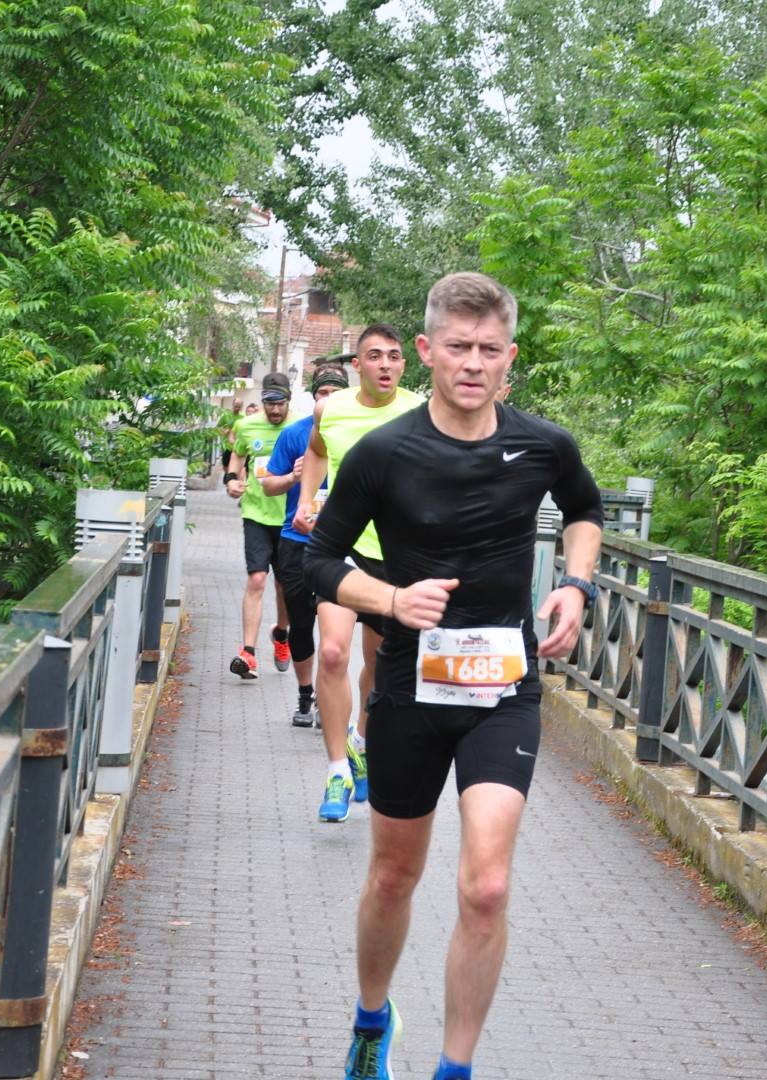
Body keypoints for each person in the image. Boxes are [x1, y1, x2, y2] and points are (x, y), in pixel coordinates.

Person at [303, 272, 603, 1080]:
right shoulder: (384, 453)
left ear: (511, 357)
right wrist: (391, 599)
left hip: (503, 692)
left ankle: (454, 1069)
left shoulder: (543, 445)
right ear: (428, 350)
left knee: (487, 887)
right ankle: (373, 1017)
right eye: (459, 347)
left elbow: (585, 511)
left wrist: (575, 585)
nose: (474, 363)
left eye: (490, 350)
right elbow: (320, 560)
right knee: (393, 875)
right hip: (408, 691)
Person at [295, 325, 424, 822]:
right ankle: (336, 772)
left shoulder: (421, 411)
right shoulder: (331, 408)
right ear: (358, 365)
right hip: (340, 547)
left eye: (394, 356)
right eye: (375, 356)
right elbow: (317, 451)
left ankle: (361, 743)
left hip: (394, 557)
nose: (386, 364)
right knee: (332, 652)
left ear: (404, 364)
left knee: (380, 663)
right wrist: (307, 500)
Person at [259, 359, 352, 726]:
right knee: (300, 624)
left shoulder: (360, 434)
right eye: (322, 393)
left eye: (335, 393)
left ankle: (329, 702)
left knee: (334, 631)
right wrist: (292, 478)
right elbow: (268, 485)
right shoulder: (294, 434)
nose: (327, 399)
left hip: (342, 546)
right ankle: (304, 695)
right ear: (313, 397)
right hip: (296, 540)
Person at [224, 373, 295, 679]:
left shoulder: (302, 426)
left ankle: (281, 634)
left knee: (285, 585)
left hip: (290, 517)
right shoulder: (247, 425)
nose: (275, 410)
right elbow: (238, 454)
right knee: (256, 579)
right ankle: (249, 653)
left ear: (289, 400)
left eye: (280, 403)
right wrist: (231, 480)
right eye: (269, 404)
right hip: (255, 513)